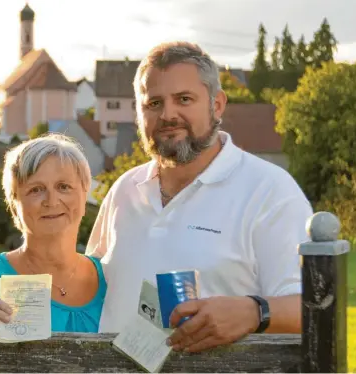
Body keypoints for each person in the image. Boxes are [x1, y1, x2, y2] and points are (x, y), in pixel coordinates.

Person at [86, 41, 313, 352]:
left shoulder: (269, 191)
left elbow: (311, 308)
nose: (168, 114)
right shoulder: (124, 190)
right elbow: (86, 290)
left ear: (216, 104)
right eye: (153, 103)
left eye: (184, 99)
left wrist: (253, 312)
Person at [0, 134, 106, 334]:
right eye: (36, 190)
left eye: (64, 187)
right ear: (13, 204)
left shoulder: (112, 278)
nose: (51, 201)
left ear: (84, 194)